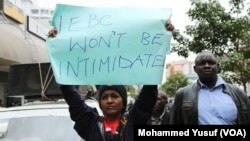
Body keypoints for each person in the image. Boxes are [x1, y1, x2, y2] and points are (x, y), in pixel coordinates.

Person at [48, 22, 174, 141]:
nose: (109, 100)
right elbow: (73, 99)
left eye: (114, 96)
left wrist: (161, 40)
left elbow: (149, 91)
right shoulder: (90, 123)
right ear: (100, 102)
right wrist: (58, 47)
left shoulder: (134, 122)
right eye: (104, 97)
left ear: (124, 102)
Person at [170, 51, 250, 125]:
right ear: (195, 69)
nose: (207, 66)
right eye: (202, 63)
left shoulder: (239, 93)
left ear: (217, 67)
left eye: (211, 63)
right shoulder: (183, 94)